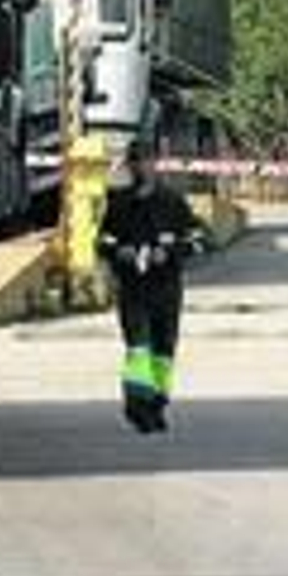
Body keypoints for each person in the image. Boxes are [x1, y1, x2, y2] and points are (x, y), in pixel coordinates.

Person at [97, 139, 204, 434]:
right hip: (133, 288)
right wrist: (121, 252)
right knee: (139, 349)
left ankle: (158, 404)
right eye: (136, 162)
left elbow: (198, 240)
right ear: (129, 166)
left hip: (167, 288)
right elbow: (103, 242)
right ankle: (137, 406)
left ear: (155, 164)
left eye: (146, 161)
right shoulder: (119, 203)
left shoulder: (172, 201)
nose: (142, 167)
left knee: (163, 352)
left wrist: (170, 252)